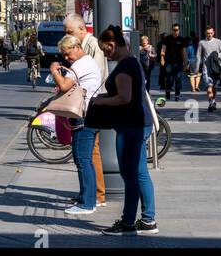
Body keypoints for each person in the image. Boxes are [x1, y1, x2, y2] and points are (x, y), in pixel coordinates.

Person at [90, 26, 158, 236]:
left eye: (105, 50)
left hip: (131, 126)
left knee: (130, 175)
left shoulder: (125, 66)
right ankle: (148, 221)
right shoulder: (131, 62)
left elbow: (124, 98)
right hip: (138, 123)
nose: (105, 54)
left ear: (112, 45)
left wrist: (101, 102)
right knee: (139, 173)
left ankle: (129, 222)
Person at [50, 34, 103, 215]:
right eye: (64, 55)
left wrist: (54, 70)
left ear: (77, 47)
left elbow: (64, 85)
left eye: (67, 53)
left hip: (84, 116)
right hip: (91, 114)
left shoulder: (80, 64)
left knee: (82, 160)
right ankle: (86, 197)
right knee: (84, 159)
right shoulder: (88, 62)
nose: (66, 58)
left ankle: (87, 203)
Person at [196, 26, 221, 114]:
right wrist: (197, 68)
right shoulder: (202, 43)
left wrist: (218, 57)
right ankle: (211, 103)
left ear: (213, 33)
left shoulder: (218, 42)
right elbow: (198, 56)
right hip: (206, 68)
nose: (209, 35)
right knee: (209, 87)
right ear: (205, 33)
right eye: (207, 33)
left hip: (216, 68)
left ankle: (213, 100)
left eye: (211, 33)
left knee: (214, 87)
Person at [158, 23, 188, 101]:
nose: (175, 31)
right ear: (172, 30)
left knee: (178, 78)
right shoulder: (167, 39)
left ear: (179, 30)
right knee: (169, 79)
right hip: (168, 62)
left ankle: (177, 95)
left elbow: (184, 52)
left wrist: (185, 63)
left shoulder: (182, 40)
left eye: (177, 30)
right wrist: (162, 58)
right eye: (174, 30)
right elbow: (163, 49)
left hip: (178, 62)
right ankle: (167, 91)